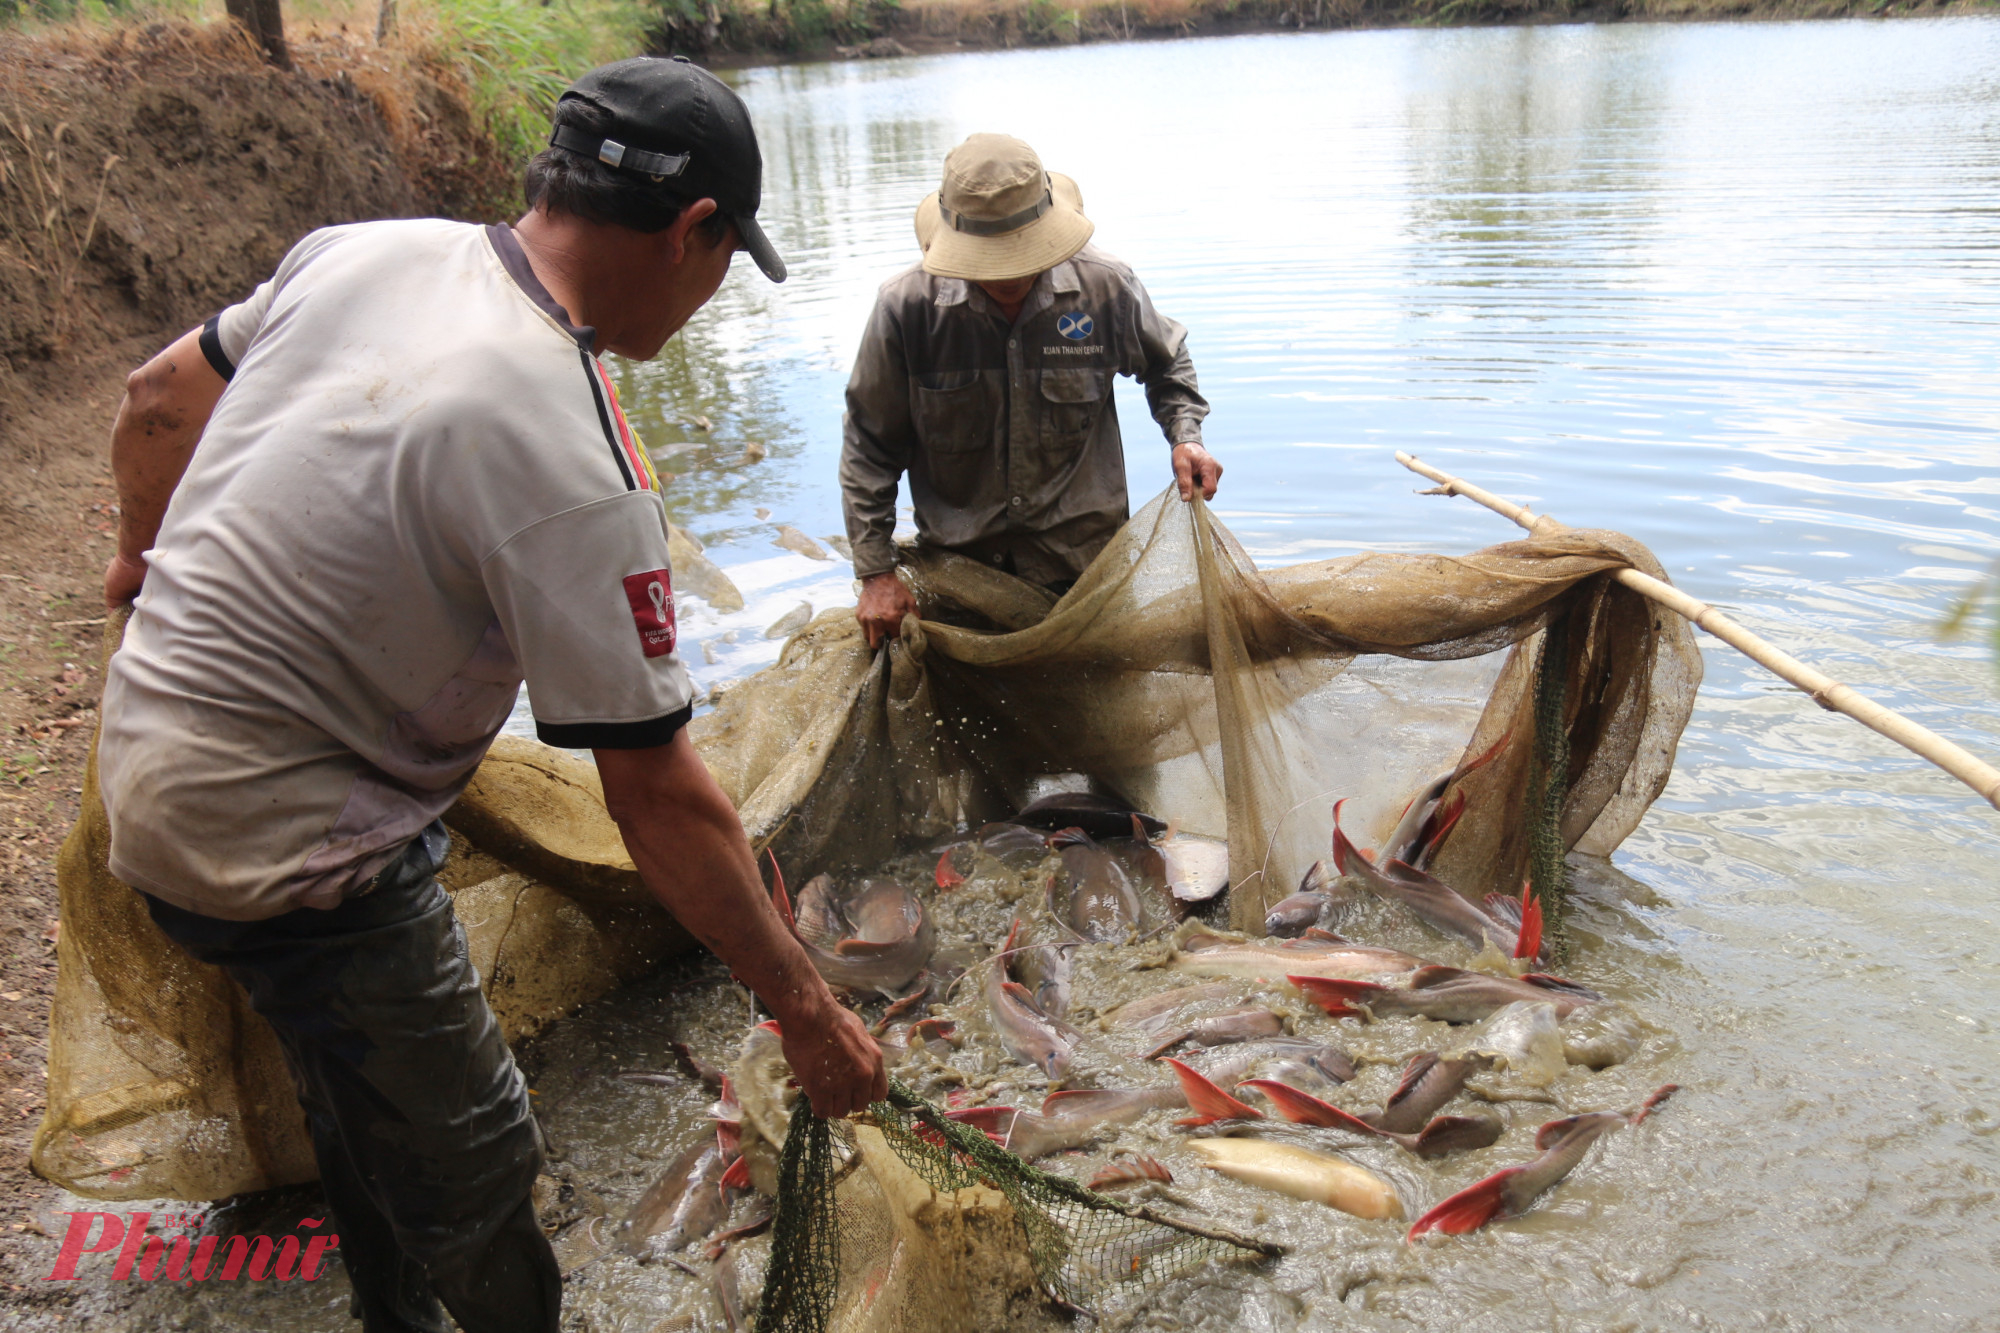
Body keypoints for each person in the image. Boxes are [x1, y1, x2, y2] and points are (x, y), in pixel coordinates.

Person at [94, 57, 884, 1333]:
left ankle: (386, 1307)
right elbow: (655, 795)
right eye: (729, 256)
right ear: (695, 233)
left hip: (138, 779)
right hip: (288, 853)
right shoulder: (570, 455)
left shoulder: (363, 253)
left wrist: (139, 562)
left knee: (350, 1076)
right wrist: (805, 1013)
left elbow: (156, 398)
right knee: (480, 1171)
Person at [840, 132, 1223, 648]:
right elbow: (870, 445)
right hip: (960, 584)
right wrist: (876, 572)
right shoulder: (907, 310)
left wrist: (1186, 437)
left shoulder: (1105, 288)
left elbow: (1167, 362)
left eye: (1022, 255)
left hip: (1087, 576)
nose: (1009, 273)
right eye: (990, 259)